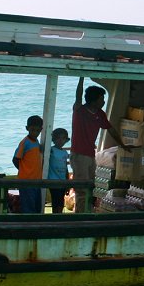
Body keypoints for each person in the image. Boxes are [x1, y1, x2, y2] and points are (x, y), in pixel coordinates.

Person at [71, 77, 131, 212]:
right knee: (81, 188)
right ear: (94, 99)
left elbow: (111, 130)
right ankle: (81, 215)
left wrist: (123, 144)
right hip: (79, 154)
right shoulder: (79, 110)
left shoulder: (100, 114)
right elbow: (78, 95)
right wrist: (81, 77)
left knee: (91, 185)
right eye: (101, 99)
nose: (103, 101)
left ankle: (86, 211)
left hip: (90, 154)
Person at [13, 115, 45, 213]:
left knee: (36, 205)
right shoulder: (25, 142)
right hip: (26, 181)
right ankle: (28, 225)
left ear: (41, 130)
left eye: (37, 130)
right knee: (28, 206)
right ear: (27, 128)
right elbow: (15, 159)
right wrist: (23, 170)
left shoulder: (36, 142)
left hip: (36, 180)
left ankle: (35, 224)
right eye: (32, 130)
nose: (35, 132)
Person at [47, 128, 71, 214]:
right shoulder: (51, 150)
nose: (61, 140)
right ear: (54, 139)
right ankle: (55, 216)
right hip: (53, 180)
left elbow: (65, 168)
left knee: (61, 201)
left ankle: (58, 216)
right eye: (58, 138)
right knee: (55, 201)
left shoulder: (64, 153)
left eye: (63, 138)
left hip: (63, 181)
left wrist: (67, 182)